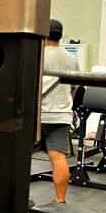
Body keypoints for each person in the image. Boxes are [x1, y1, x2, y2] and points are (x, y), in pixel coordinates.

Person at [39, 19, 79, 203]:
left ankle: (16, 199)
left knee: (20, 158)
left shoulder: (37, 55)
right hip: (61, 116)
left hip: (36, 117)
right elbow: (74, 88)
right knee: (58, 158)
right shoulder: (71, 59)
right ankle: (60, 200)